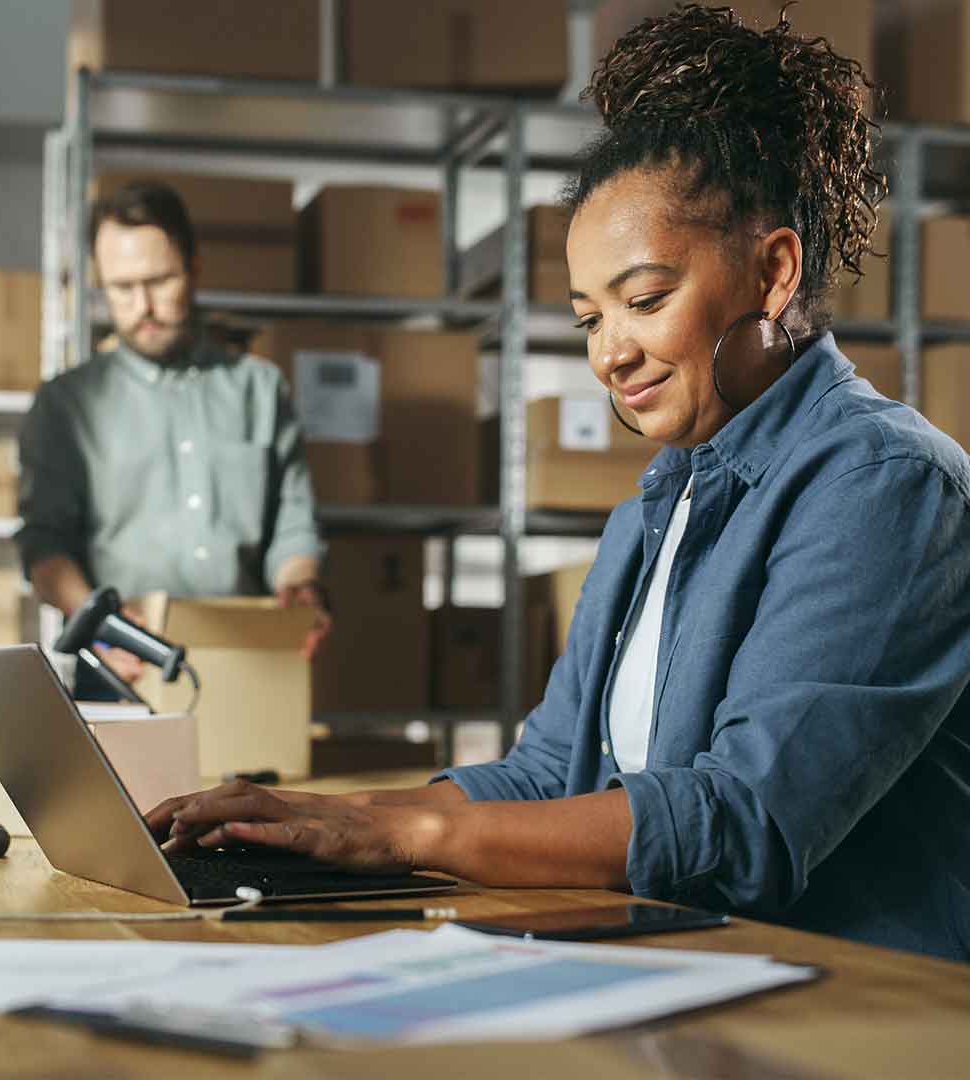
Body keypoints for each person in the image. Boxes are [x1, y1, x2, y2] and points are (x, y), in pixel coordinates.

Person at [146, 5, 970, 961]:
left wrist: (408, 834)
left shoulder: (886, 487)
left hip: (869, 1009)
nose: (611, 354)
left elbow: (746, 820)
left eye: (646, 300)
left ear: (773, 272)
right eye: (587, 319)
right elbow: (549, 773)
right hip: (696, 973)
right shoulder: (658, 508)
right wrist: (314, 817)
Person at [16, 181, 330, 689]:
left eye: (160, 281)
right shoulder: (65, 405)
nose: (143, 305)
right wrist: (102, 624)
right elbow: (44, 547)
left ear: (194, 270)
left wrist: (300, 588)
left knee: (260, 773)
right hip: (124, 669)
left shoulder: (260, 388)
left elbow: (293, 528)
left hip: (249, 664)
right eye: (121, 288)